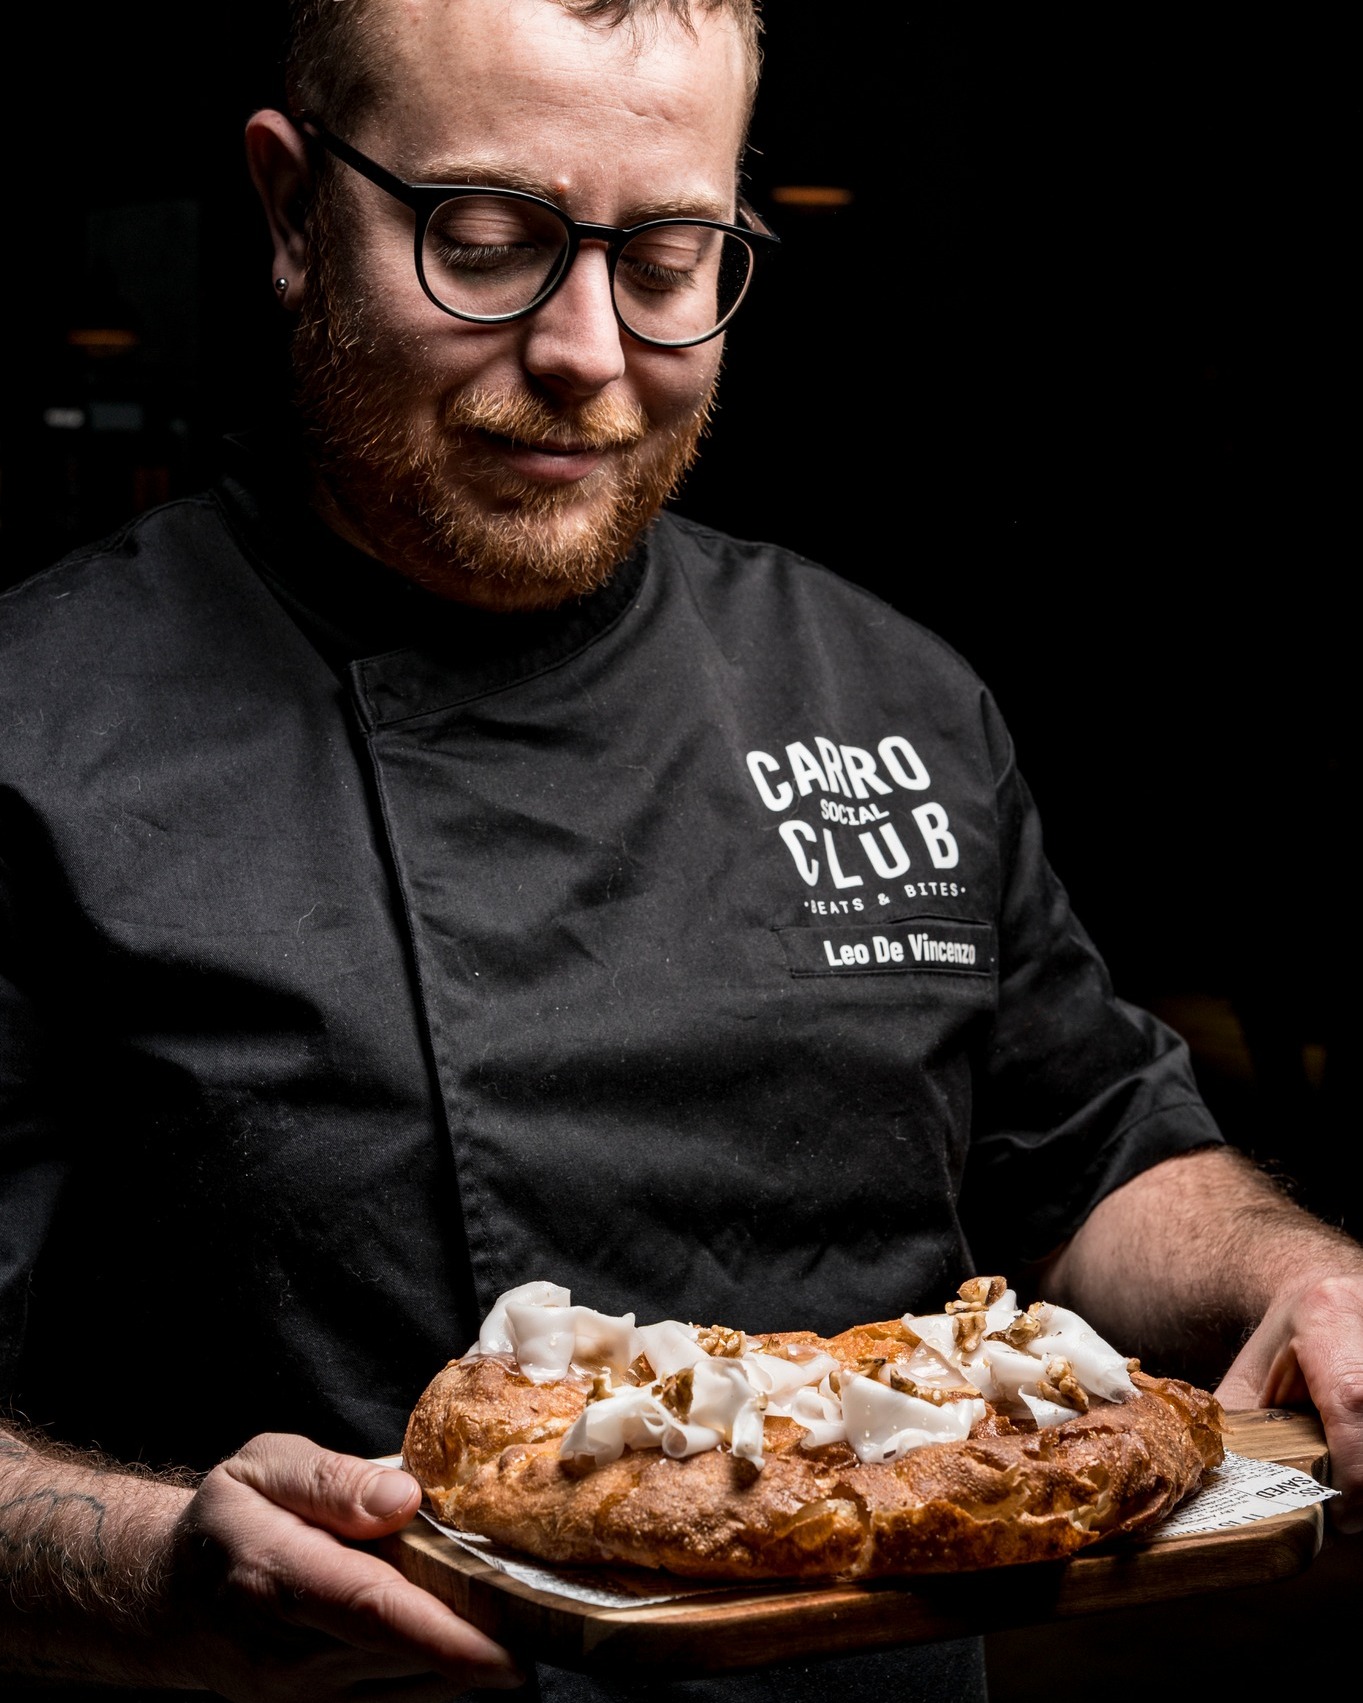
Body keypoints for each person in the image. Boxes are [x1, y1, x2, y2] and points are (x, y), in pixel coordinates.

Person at [1, 2, 1359, 1698]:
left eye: (669, 261)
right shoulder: (34, 734)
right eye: (484, 244)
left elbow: (1090, 1156)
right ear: (292, 214)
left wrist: (1299, 1272)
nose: (587, 349)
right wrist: (139, 1566)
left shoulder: (888, 688)